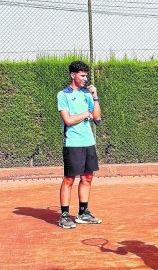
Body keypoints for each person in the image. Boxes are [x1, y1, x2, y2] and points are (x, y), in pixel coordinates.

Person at [56, 60, 102, 229]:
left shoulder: (87, 94)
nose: (84, 79)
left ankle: (83, 213)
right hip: (72, 143)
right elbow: (68, 119)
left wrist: (95, 96)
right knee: (69, 179)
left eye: (86, 76)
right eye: (82, 75)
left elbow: (97, 118)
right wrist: (85, 114)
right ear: (72, 75)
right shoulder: (63, 95)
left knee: (87, 177)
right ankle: (65, 215)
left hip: (88, 141)